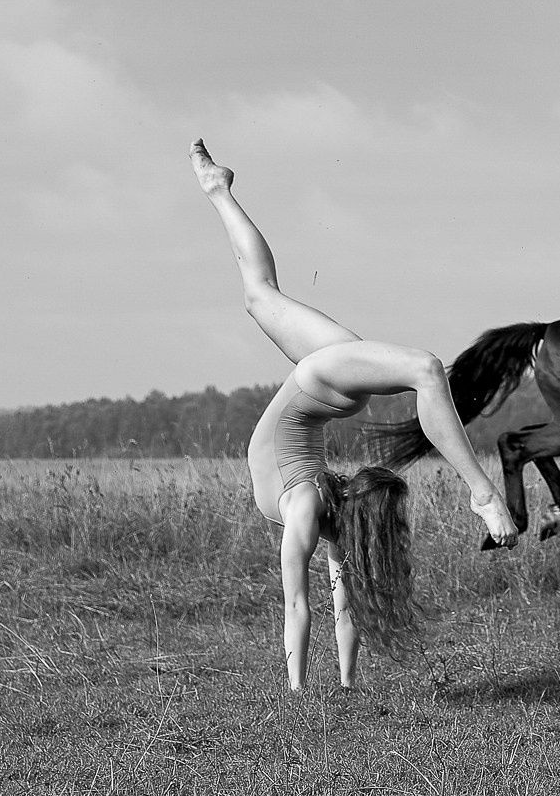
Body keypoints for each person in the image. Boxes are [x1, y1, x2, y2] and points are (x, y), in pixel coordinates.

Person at [192, 139, 520, 689]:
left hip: (317, 385)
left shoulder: (306, 511)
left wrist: (311, 693)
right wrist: (333, 689)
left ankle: (217, 191)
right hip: (319, 385)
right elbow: (329, 606)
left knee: (414, 365)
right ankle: (218, 189)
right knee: (417, 365)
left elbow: (305, 606)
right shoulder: (329, 512)